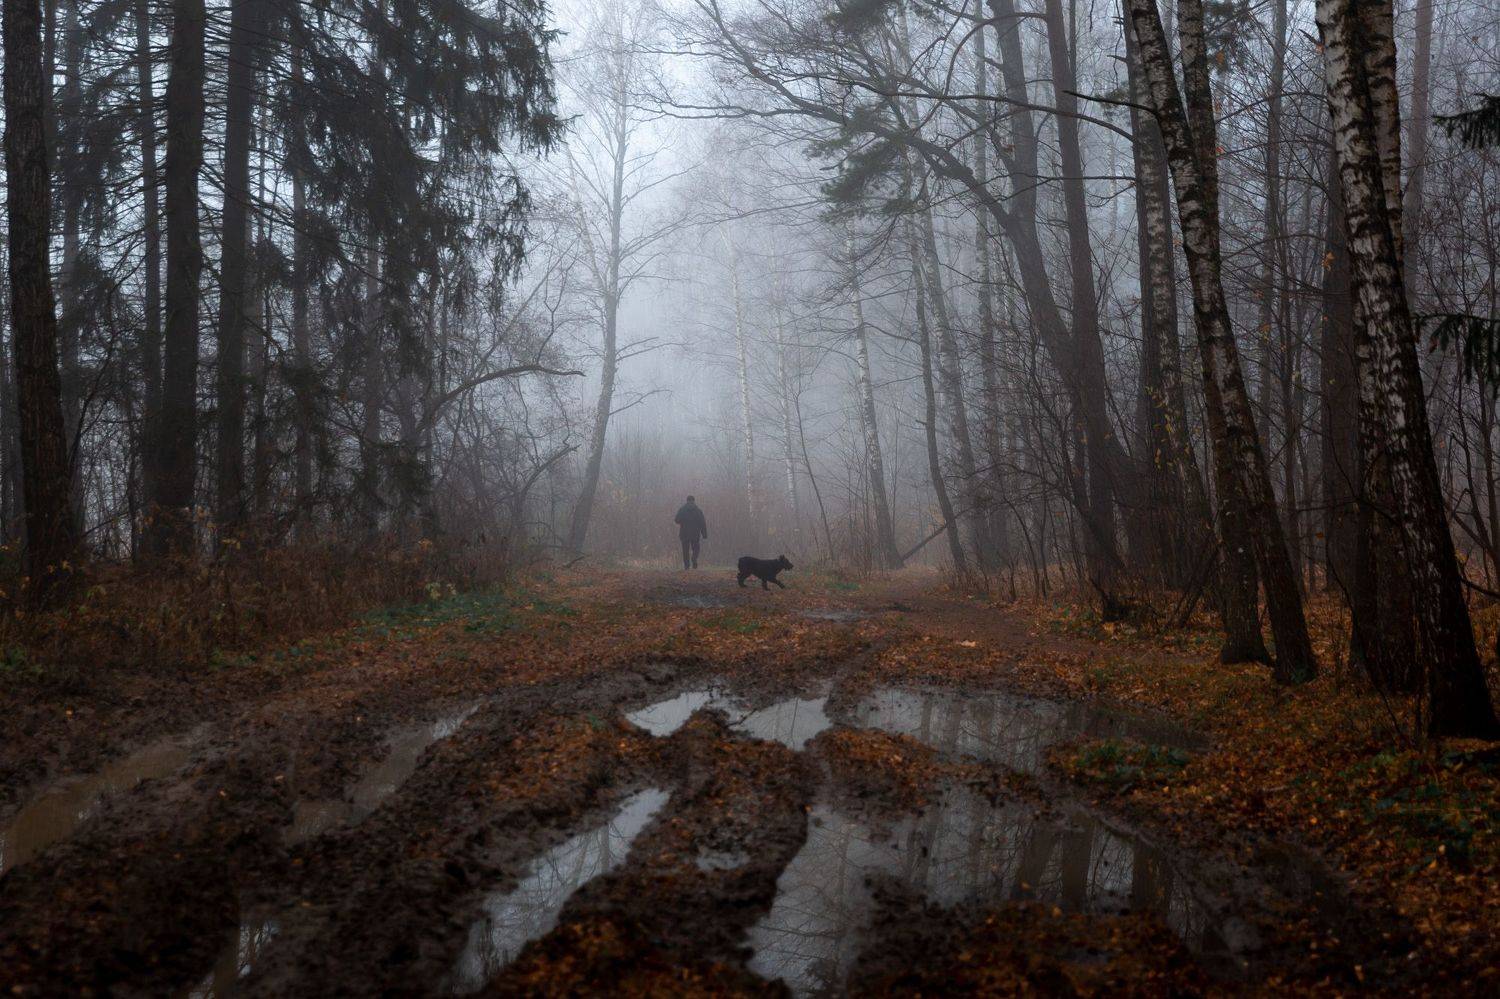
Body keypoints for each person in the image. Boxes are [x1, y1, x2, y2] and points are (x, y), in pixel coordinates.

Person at [674, 495, 708, 569]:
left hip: (684, 533)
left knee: (685, 550)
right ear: (694, 501)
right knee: (696, 548)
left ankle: (687, 566)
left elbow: (676, 520)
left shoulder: (682, 509)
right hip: (695, 533)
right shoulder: (698, 510)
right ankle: (694, 558)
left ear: (687, 501)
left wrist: (683, 520)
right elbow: (702, 523)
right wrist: (704, 534)